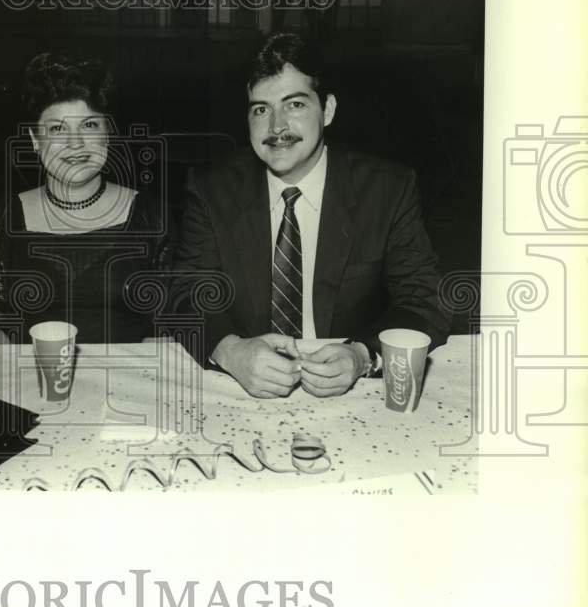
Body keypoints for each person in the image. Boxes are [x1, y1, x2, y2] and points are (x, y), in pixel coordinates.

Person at [174, 32, 448, 398]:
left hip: (352, 396)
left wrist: (362, 355)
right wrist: (230, 350)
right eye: (261, 109)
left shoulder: (387, 189)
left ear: (328, 110)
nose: (276, 128)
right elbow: (184, 297)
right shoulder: (213, 190)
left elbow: (423, 301)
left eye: (295, 105)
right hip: (240, 391)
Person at [0, 52, 173, 344]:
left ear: (108, 133)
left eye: (89, 125)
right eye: (57, 129)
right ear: (35, 141)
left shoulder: (152, 215)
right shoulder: (3, 217)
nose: (75, 143)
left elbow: (169, 322)